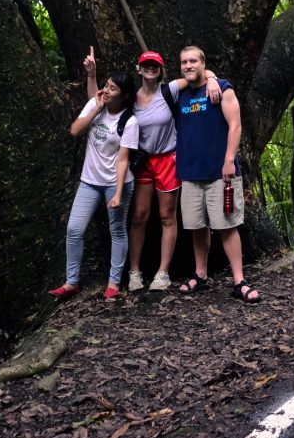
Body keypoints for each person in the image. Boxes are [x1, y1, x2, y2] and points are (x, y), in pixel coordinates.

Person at [84, 47, 219, 291]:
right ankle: (135, 272)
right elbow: (99, 100)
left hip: (168, 159)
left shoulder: (170, 90)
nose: (150, 69)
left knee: (168, 217)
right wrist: (92, 75)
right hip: (142, 161)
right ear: (139, 69)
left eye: (154, 66)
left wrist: (211, 79)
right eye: (146, 65)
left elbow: (197, 72)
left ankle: (163, 272)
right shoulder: (131, 98)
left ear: (160, 71)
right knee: (139, 216)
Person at [172, 46, 261, 303]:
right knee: (197, 227)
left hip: (220, 173)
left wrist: (229, 160)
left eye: (193, 61)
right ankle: (200, 275)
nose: (188, 66)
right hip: (190, 173)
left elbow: (235, 125)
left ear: (203, 63)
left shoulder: (222, 88)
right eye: (183, 62)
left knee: (227, 226)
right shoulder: (180, 94)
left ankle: (239, 280)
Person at [49, 65, 138, 300]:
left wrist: (118, 194)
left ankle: (114, 282)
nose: (107, 90)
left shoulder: (129, 122)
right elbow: (75, 131)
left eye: (113, 88)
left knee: (117, 231)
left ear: (125, 95)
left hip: (116, 182)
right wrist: (96, 108)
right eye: (106, 85)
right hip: (89, 181)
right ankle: (71, 282)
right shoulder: (96, 104)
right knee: (74, 229)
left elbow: (123, 159)